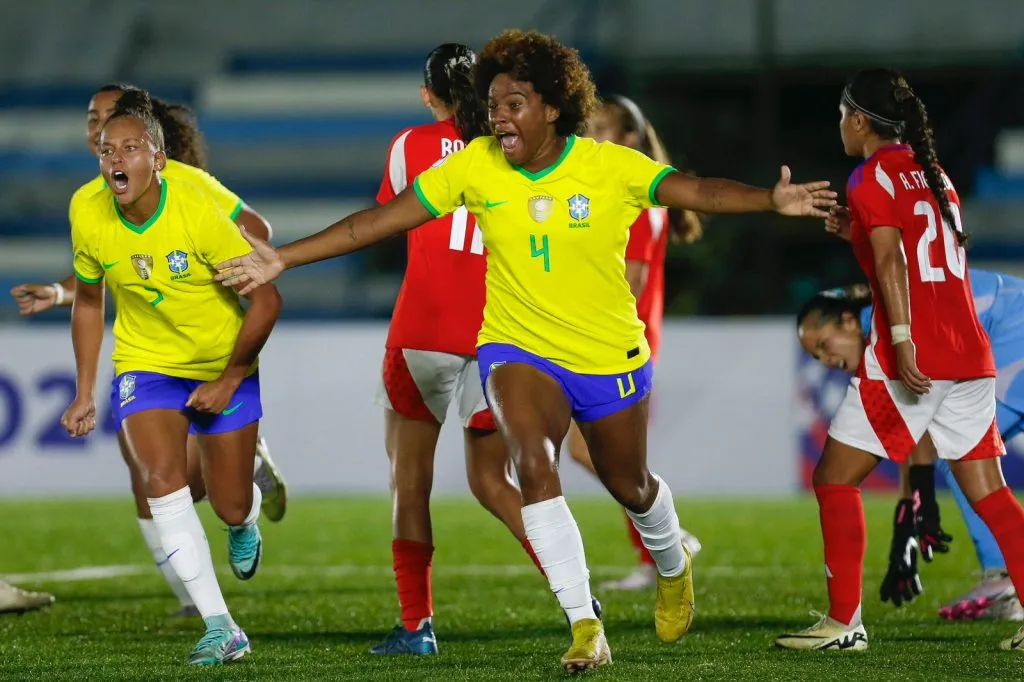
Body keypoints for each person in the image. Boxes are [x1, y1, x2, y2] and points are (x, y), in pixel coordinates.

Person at [215, 29, 835, 672]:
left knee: (631, 483)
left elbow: (698, 192)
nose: (497, 116)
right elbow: (377, 221)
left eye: (513, 103)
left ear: (553, 108)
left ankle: (672, 562)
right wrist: (283, 256)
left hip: (605, 353)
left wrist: (770, 199)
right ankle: (585, 623)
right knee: (534, 469)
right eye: (492, 103)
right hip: (514, 348)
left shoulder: (607, 165)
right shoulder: (475, 163)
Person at [9, 83, 289, 619]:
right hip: (145, 358)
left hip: (213, 353)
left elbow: (257, 238)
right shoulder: (91, 205)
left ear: (149, 138)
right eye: (94, 123)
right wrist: (61, 293)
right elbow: (104, 271)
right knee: (155, 479)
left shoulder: (188, 191)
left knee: (214, 494)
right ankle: (200, 606)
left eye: (111, 120)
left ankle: (243, 502)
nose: (99, 131)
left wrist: (229, 265)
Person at [775, 68, 1024, 653]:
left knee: (834, 478)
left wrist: (905, 341)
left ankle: (844, 625)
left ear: (860, 120)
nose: (839, 125)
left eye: (842, 115)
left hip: (914, 355)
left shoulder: (870, 175)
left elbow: (892, 267)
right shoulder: (931, 173)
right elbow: (923, 256)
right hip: (970, 353)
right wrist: (854, 235)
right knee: (991, 494)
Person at [369, 43, 599, 656]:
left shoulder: (410, 146)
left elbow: (390, 216)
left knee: (409, 483)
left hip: (422, 330)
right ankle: (573, 590)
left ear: (427, 94)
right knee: (494, 479)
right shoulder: (513, 147)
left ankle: (416, 627)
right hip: (494, 332)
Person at [797, 277, 1024, 621]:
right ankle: (1003, 576)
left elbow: (920, 429)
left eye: (825, 344)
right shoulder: (887, 315)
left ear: (847, 319)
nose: (825, 360)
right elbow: (917, 426)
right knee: (966, 460)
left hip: (1014, 333)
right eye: (816, 356)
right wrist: (912, 507)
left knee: (966, 457)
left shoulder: (884, 324)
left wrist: (911, 514)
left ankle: (1002, 577)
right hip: (1006, 332)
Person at [569, 95, 703, 592]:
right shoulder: (622, 185)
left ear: (630, 137)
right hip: (615, 337)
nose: (593, 137)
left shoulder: (638, 191)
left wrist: (593, 327)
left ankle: (666, 542)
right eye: (590, 128)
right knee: (599, 453)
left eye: (603, 128)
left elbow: (634, 277)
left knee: (603, 454)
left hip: (622, 340)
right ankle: (663, 545)